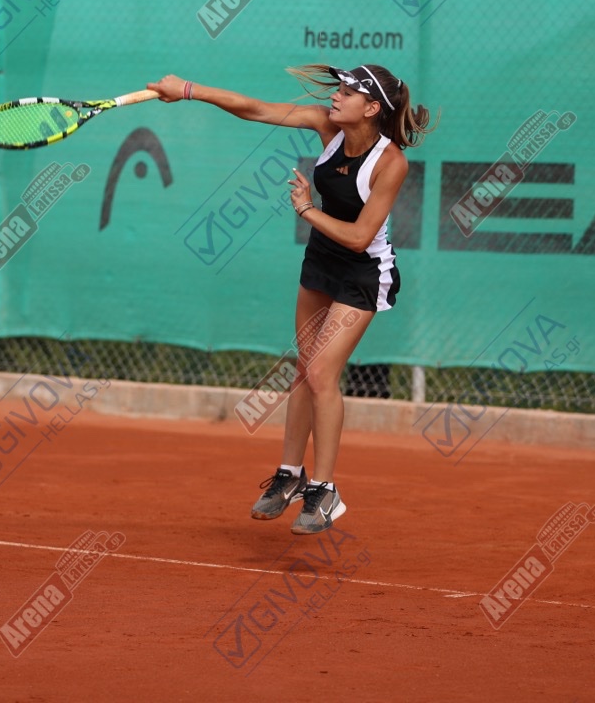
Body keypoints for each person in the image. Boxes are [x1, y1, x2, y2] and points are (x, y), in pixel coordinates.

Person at [148, 64, 433, 534]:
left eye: (348, 92)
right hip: (322, 259)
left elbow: (360, 237)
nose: (336, 97)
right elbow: (257, 109)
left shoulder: (391, 163)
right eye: (338, 89)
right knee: (304, 367)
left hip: (363, 271)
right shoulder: (327, 124)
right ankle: (289, 474)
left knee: (321, 373)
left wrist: (305, 210)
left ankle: (324, 491)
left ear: (371, 108)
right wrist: (189, 90)